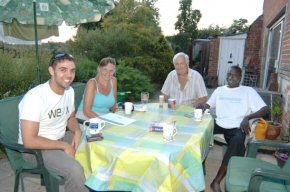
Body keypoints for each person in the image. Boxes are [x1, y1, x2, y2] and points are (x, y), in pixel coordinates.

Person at [18, 52, 89, 192]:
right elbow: (29, 141)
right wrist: (64, 146)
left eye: (72, 70)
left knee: (95, 147)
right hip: (35, 150)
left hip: (59, 139)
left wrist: (77, 131)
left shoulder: (69, 91)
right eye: (63, 70)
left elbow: (71, 117)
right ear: (51, 71)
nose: (69, 75)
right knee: (75, 170)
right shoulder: (35, 98)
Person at [201, 65, 269, 192]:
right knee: (199, 131)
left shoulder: (248, 91)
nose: (230, 77)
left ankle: (216, 181)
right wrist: (202, 106)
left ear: (240, 77)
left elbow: (265, 109)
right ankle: (198, 164)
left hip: (236, 127)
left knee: (237, 141)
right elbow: (208, 105)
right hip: (218, 123)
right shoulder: (219, 90)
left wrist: (247, 117)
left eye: (233, 75)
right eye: (228, 74)